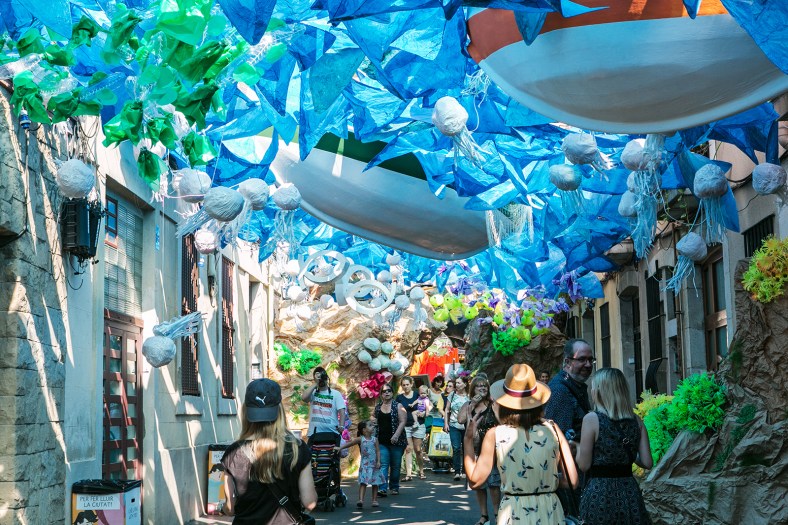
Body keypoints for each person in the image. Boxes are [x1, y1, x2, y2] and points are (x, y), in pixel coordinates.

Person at [464, 364, 579, 525]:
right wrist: (541, 479)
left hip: (514, 512)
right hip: (549, 511)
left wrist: (468, 439)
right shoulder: (553, 429)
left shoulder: (495, 434)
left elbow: (475, 481)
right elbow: (572, 481)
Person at [221, 379, 317, 522]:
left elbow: (230, 508)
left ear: (246, 411)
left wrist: (224, 508)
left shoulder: (233, 452)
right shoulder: (297, 448)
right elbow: (310, 503)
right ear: (279, 411)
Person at [576, 368, 653, 524]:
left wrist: (576, 447)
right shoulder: (636, 420)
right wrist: (625, 455)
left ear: (598, 391)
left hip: (600, 493)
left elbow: (583, 465)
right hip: (629, 492)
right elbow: (647, 462)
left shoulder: (592, 419)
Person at [544, 339, 593, 517]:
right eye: (582, 359)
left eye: (590, 360)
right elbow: (556, 438)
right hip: (569, 478)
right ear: (567, 362)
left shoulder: (575, 386)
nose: (587, 364)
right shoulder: (560, 391)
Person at [458, 374, 501, 525]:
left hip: (492, 451)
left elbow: (503, 421)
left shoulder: (493, 403)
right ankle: (484, 515)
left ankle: (497, 514)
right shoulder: (468, 404)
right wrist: (471, 406)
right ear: (473, 389)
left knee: (494, 484)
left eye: (484, 386)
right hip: (474, 449)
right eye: (479, 386)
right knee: (478, 485)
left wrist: (495, 408)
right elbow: (461, 419)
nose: (482, 388)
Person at [336, 420, 385, 508]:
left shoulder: (375, 439)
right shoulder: (360, 439)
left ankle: (374, 500)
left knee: (375, 483)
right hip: (365, 465)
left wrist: (378, 461)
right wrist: (340, 447)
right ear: (364, 430)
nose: (373, 426)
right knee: (363, 482)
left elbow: (378, 451)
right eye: (370, 425)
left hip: (374, 465)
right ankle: (361, 500)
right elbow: (350, 444)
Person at [374, 384, 408, 497]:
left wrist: (396, 435)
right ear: (381, 394)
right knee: (383, 464)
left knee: (395, 465)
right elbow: (373, 417)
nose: (386, 393)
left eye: (389, 391)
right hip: (382, 441)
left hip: (397, 442)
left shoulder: (398, 406)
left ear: (392, 393)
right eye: (384, 391)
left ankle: (394, 486)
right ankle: (382, 488)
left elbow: (403, 421)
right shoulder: (378, 407)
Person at [301, 366, 347, 445]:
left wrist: (342, 426)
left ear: (327, 378)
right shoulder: (313, 392)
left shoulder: (336, 394)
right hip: (314, 434)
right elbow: (304, 398)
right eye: (318, 377)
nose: (321, 379)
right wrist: (316, 382)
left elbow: (342, 411)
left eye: (322, 377)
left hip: (332, 434)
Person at [396, 376, 427, 481]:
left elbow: (427, 405)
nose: (405, 387)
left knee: (418, 450)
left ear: (411, 384)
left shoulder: (418, 395)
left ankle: (421, 470)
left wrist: (424, 413)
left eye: (407, 384)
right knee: (408, 449)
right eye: (403, 385)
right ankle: (408, 474)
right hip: (406, 426)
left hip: (418, 425)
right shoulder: (399, 398)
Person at [444, 375, 469, 481]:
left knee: (466, 448)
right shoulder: (452, 395)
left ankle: (465, 470)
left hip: (466, 426)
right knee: (456, 448)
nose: (456, 385)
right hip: (454, 425)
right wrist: (446, 423)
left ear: (465, 384)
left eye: (459, 383)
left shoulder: (469, 396)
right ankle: (457, 471)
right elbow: (446, 410)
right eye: (456, 383)